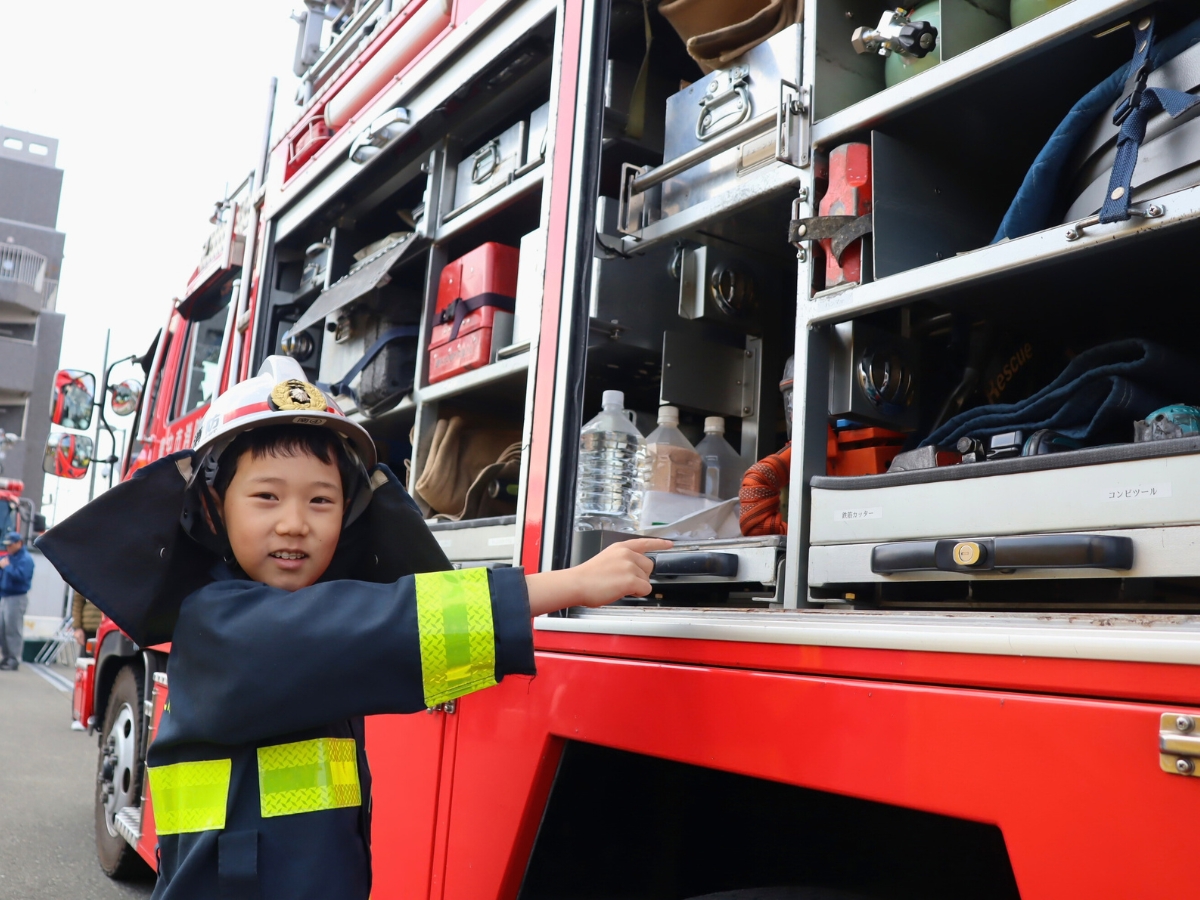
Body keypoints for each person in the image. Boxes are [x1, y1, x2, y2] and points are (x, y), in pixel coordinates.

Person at [37, 356, 670, 899]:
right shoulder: (218, 625)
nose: (295, 522)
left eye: (321, 500)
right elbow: (385, 626)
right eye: (266, 497)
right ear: (211, 505)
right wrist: (570, 584)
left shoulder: (291, 615)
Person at [0, 531, 35, 671]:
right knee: (3, 629)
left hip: (17, 597)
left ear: (19, 543)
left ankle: (14, 659)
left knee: (13, 629)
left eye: (10, 545)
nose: (8, 548)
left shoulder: (26, 559)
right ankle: (6, 657)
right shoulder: (9, 557)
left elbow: (22, 577)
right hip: (5, 596)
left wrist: (7, 567)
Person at [72, 589, 101, 653]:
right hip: (90, 629)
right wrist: (78, 628)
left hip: (113, 630)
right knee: (88, 656)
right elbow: (78, 602)